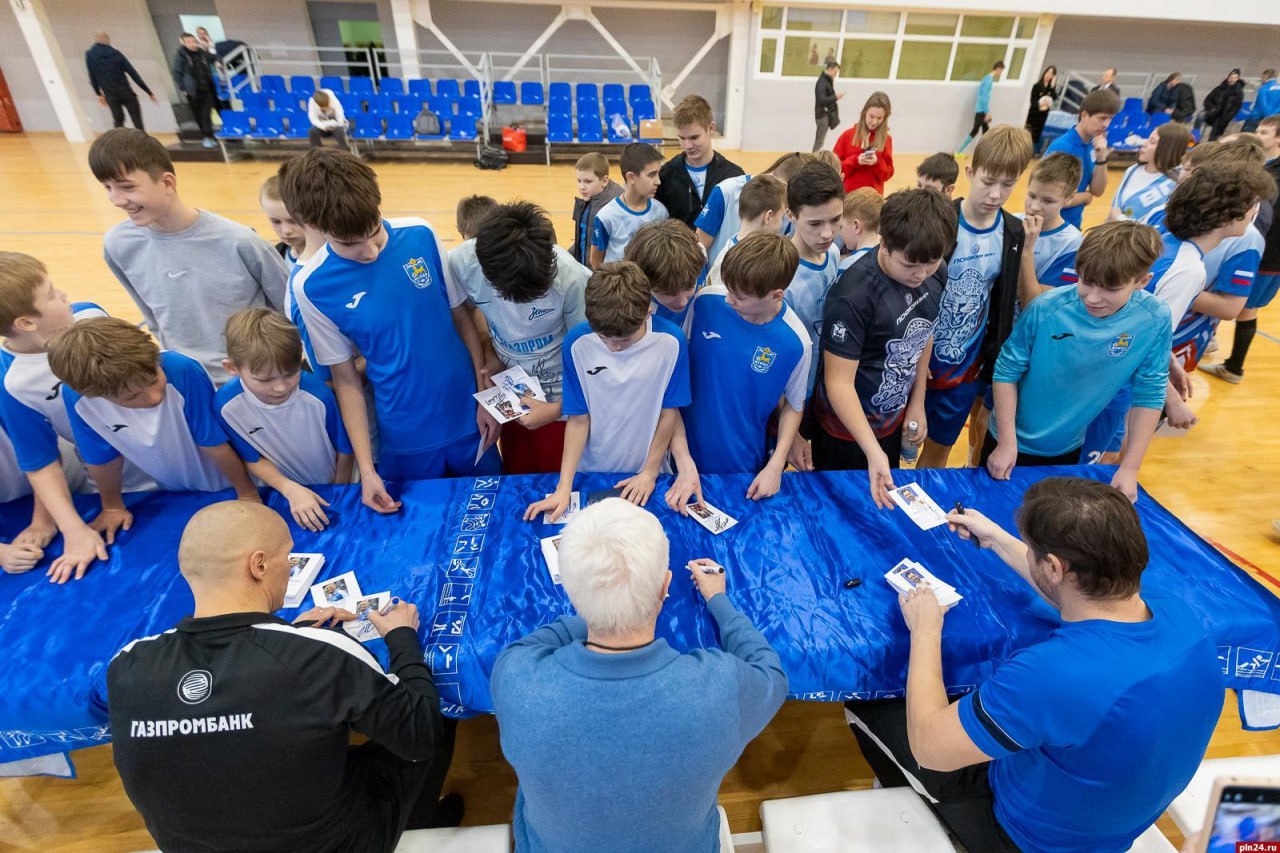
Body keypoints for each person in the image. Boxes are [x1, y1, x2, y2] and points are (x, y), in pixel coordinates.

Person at [847, 476, 1220, 853]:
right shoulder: (1180, 614)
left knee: (872, 700)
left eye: (1033, 552)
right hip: (1113, 823)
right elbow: (1077, 596)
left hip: (1028, 839)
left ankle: (915, 809)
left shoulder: (1052, 673)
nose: (1028, 554)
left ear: (1054, 567)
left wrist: (925, 629)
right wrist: (998, 540)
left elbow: (930, 748)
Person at [108, 501, 460, 853]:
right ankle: (421, 823)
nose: (290, 569)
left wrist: (290, 636)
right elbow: (421, 734)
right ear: (259, 565)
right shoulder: (320, 653)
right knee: (432, 707)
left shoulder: (127, 665)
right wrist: (401, 637)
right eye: (288, 558)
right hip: (336, 844)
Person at [494, 497, 786, 853]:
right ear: (665, 586)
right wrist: (719, 601)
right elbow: (770, 674)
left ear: (569, 589)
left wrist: (600, 607)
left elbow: (532, 644)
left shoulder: (516, 676)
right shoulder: (717, 687)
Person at [283, 149, 499, 501]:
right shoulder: (310, 287)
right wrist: (366, 470)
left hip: (470, 419)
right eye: (350, 244)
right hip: (405, 434)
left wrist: (485, 399)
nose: (369, 251)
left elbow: (462, 318)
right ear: (316, 227)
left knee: (494, 513)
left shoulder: (421, 233)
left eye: (374, 232)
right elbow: (345, 379)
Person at [0, 253, 157, 583]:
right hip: (116, 479)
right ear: (26, 323)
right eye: (52, 294)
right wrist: (73, 529)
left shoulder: (90, 316)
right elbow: (39, 460)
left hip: (169, 446)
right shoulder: (12, 381)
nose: (65, 295)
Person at [983, 222, 1169, 498]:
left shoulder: (1154, 318)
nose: (1093, 298)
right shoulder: (1046, 308)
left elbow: (1150, 393)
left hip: (1068, 446)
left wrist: (1130, 468)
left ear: (1142, 281)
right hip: (1008, 439)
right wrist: (1007, 443)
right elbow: (1006, 371)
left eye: (1110, 289)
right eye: (1086, 281)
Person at [89, 129, 289, 385]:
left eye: (128, 187)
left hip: (254, 381)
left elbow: (290, 309)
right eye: (107, 188)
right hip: (185, 381)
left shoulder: (240, 241)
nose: (116, 200)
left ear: (167, 183)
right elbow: (152, 316)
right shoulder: (118, 245)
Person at [812, 188, 956, 504]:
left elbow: (923, 334)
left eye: (932, 262)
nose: (921, 274)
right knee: (839, 511)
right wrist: (871, 449)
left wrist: (917, 401)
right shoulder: (853, 295)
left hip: (889, 425)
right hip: (844, 433)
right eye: (909, 264)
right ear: (885, 243)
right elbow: (838, 383)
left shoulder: (935, 271)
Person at [522, 262, 690, 523]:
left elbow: (669, 413)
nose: (613, 348)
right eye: (603, 338)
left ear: (648, 312)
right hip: (592, 469)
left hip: (648, 470)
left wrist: (649, 472)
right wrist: (564, 488)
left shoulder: (671, 342)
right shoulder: (576, 343)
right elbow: (578, 418)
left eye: (623, 341)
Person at [47, 317, 257, 502]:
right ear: (97, 395)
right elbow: (100, 458)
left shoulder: (180, 368)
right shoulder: (78, 398)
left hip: (228, 477)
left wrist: (247, 493)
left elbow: (213, 443)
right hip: (170, 487)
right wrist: (112, 506)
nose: (154, 397)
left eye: (153, 380)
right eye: (131, 397)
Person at [919, 126, 1032, 469]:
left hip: (965, 369)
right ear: (970, 173)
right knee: (896, 448)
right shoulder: (939, 219)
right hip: (917, 361)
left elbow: (1004, 303)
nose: (996, 194)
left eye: (1008, 184)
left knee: (938, 452)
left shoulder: (1012, 231)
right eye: (988, 181)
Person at [448, 202, 589, 474]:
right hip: (512, 395)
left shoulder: (572, 279)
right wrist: (489, 351)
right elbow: (468, 312)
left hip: (566, 404)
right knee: (518, 478)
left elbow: (590, 361)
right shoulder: (461, 263)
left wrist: (558, 408)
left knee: (562, 482)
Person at [683, 231, 808, 497]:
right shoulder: (705, 302)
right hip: (683, 459)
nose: (729, 299)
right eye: (728, 289)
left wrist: (776, 466)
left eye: (739, 297)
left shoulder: (796, 342)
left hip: (743, 464)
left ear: (776, 295)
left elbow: (794, 406)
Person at [215, 309, 353, 532]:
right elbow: (252, 458)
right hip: (280, 492)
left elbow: (345, 451)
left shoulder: (318, 395)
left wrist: (338, 492)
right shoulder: (227, 406)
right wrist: (289, 489)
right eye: (265, 379)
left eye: (290, 374)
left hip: (331, 485)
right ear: (232, 368)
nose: (280, 387)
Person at [1203, 114, 1280, 383]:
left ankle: (1234, 367)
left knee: (1245, 308)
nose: (1258, 135)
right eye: (1257, 130)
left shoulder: (1269, 180)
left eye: (1265, 132)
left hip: (1267, 258)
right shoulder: (1266, 171)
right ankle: (1212, 342)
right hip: (1258, 253)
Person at [782, 162, 844, 399]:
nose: (827, 233)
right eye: (815, 224)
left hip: (826, 379)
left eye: (835, 220)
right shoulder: (783, 276)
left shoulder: (833, 253)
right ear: (791, 215)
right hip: (795, 389)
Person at [695, 151, 809, 267]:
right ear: (785, 187)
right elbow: (699, 249)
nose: (790, 208)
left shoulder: (791, 212)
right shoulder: (727, 192)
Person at [655, 95, 744, 228]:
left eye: (694, 137)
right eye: (682, 138)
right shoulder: (666, 175)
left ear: (711, 128)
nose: (687, 145)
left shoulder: (733, 176)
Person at [1046, 89, 1121, 228]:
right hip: (1051, 226)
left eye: (1110, 119)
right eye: (1102, 118)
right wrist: (1085, 197)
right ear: (1084, 115)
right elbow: (1049, 196)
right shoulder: (1063, 147)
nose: (1106, 124)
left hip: (1073, 226)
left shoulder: (1093, 146)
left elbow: (1097, 191)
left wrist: (1101, 157)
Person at [590, 143, 668, 267]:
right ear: (631, 177)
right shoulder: (606, 216)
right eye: (651, 175)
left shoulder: (661, 211)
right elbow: (596, 262)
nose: (658, 181)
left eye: (658, 174)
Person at [703, 174, 788, 289]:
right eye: (781, 217)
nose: (781, 224)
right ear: (768, 217)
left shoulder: (730, 251)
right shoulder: (734, 264)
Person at [1018, 153, 1085, 298]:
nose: (1034, 207)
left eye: (1048, 201)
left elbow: (1035, 302)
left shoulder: (1072, 244)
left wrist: (1026, 250)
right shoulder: (1010, 222)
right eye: (1032, 196)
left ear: (1069, 198)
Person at [624, 219, 705, 333]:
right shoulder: (634, 312)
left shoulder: (698, 256)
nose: (682, 302)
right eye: (670, 293)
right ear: (644, 283)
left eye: (689, 286)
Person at [1109, 122, 1191, 222]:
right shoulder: (1132, 170)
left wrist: (1119, 218)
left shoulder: (1173, 186)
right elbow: (1115, 208)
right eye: (1147, 139)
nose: (1144, 144)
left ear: (1167, 149)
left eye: (1152, 142)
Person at [85, 33, 156, 131]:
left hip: (110, 94)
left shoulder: (90, 55)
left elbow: (92, 76)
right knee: (137, 121)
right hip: (126, 91)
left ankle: (118, 140)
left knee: (118, 121)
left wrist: (98, 94)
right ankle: (141, 139)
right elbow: (133, 73)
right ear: (108, 41)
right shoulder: (116, 53)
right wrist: (148, 91)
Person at [832, 92, 894, 194]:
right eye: (871, 116)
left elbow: (888, 174)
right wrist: (856, 160)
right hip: (848, 196)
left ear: (885, 117)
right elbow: (833, 169)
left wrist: (877, 163)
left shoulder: (887, 139)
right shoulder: (847, 135)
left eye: (879, 118)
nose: (874, 122)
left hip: (872, 198)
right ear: (864, 112)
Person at [570, 153, 622, 267]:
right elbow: (582, 239)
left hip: (603, 272)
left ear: (604, 181)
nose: (582, 187)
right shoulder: (587, 200)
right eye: (579, 181)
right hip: (584, 269)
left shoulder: (615, 207)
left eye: (588, 181)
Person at [171, 32, 219, 148]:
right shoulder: (181, 56)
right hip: (192, 91)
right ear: (184, 43)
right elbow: (177, 73)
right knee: (198, 115)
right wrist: (183, 88)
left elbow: (215, 57)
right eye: (189, 42)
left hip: (206, 88)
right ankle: (207, 136)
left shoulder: (201, 53)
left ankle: (208, 135)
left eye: (194, 41)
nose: (192, 44)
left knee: (206, 113)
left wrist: (217, 61)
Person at [958, 61, 1005, 155]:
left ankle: (987, 152)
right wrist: (987, 112)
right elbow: (984, 98)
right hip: (981, 110)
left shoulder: (986, 78)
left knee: (986, 132)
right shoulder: (988, 80)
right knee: (976, 131)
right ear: (998, 69)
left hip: (981, 109)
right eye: (1001, 71)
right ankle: (959, 151)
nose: (1001, 73)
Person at [259, 175, 305, 263]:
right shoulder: (276, 255)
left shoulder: (330, 258)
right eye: (276, 221)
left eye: (294, 221)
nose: (286, 231)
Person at [838, 188, 882, 272]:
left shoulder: (847, 266)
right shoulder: (889, 255)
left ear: (856, 226)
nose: (840, 234)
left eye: (841, 227)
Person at [1202, 69, 1246, 141]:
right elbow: (1208, 99)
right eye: (1231, 77)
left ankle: (1211, 142)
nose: (1232, 80)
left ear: (1238, 79)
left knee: (1217, 127)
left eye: (1235, 78)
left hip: (1225, 116)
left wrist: (1227, 117)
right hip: (1212, 112)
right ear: (1228, 78)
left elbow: (1236, 108)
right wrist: (1211, 108)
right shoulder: (1219, 88)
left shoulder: (1239, 93)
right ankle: (1195, 138)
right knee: (1200, 117)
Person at [1025, 65, 1059, 150]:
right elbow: (1033, 102)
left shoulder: (1050, 88)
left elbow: (1055, 97)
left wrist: (1052, 87)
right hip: (1034, 115)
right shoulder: (1037, 86)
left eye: (1051, 74)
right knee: (1028, 134)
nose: (1048, 75)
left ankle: (1032, 151)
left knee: (1036, 137)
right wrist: (1041, 104)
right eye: (1048, 72)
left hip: (1043, 116)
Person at [813, 59, 844, 152]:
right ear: (830, 69)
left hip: (823, 114)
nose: (835, 75)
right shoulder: (822, 82)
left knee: (820, 140)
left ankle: (815, 157)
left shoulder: (825, 81)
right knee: (819, 141)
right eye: (835, 72)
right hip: (822, 115)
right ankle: (814, 158)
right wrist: (835, 97)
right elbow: (821, 99)